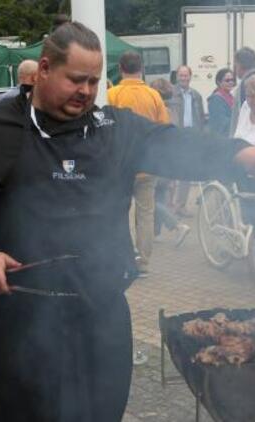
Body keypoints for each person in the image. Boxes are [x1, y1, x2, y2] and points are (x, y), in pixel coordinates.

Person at [0, 22, 255, 422]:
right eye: (76, 79)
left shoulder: (114, 129)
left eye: (94, 81)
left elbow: (175, 143)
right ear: (45, 69)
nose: (86, 91)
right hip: (21, 314)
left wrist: (239, 155)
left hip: (100, 312)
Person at [107, 50, 170, 276]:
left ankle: (124, 258)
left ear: (121, 69)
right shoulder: (154, 95)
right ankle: (143, 263)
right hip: (148, 165)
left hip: (120, 166)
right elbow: (164, 128)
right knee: (146, 215)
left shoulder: (112, 94)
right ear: (141, 68)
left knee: (119, 215)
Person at [150, 78, 191, 246]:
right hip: (168, 161)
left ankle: (177, 226)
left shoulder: (158, 110)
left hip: (157, 160)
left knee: (148, 200)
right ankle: (156, 233)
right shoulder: (173, 110)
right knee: (158, 197)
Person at [169, 65, 204, 217]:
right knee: (171, 173)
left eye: (186, 75)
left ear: (190, 76)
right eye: (181, 75)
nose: (183, 78)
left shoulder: (196, 95)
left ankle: (180, 206)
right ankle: (168, 207)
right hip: (176, 136)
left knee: (187, 173)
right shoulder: (171, 94)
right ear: (177, 77)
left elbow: (201, 117)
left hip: (191, 137)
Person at [207, 68, 236, 137]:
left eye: (232, 80)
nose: (230, 82)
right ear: (219, 82)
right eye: (227, 80)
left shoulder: (231, 97)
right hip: (221, 138)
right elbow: (220, 124)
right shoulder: (216, 99)